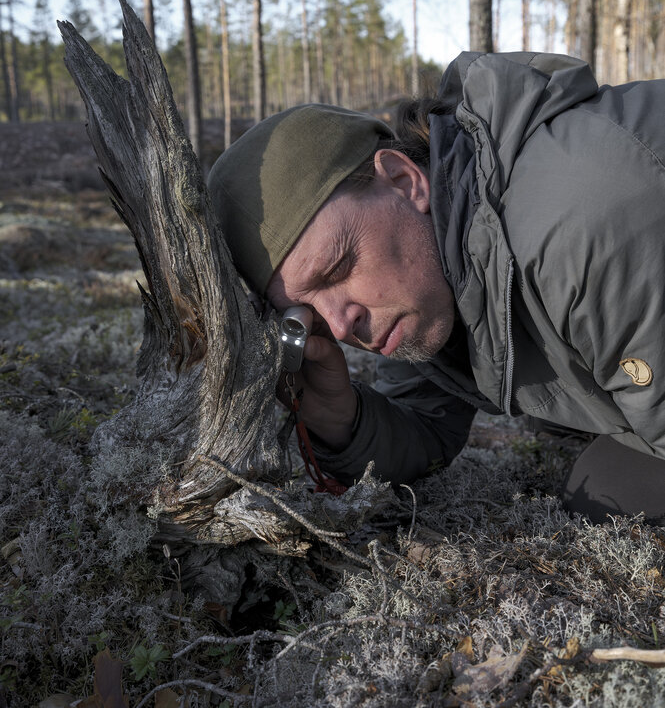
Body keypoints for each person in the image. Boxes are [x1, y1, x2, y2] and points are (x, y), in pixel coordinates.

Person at [207, 51, 665, 524]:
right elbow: (427, 428)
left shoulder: (576, 223)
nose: (342, 326)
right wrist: (336, 414)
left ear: (405, 182)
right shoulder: (439, 264)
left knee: (609, 490)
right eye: (310, 313)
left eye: (338, 267)